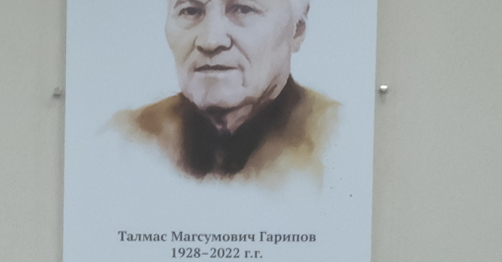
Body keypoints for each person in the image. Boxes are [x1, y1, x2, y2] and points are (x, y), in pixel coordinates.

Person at [108, 0, 338, 188]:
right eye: (190, 11)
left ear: (297, 31)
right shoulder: (129, 136)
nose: (211, 41)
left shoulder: (337, 139)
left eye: (243, 9)